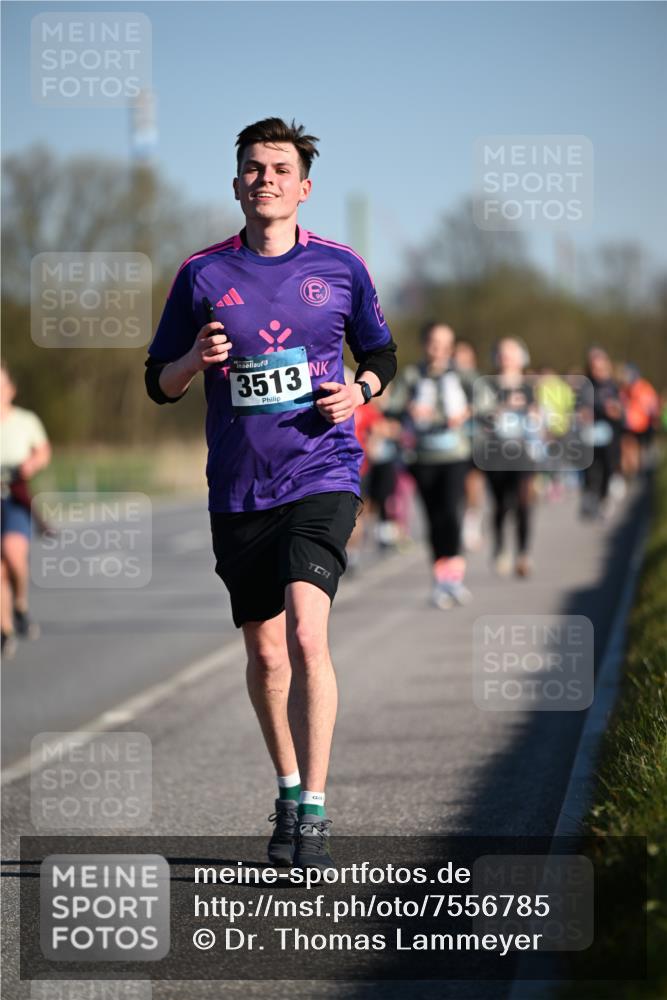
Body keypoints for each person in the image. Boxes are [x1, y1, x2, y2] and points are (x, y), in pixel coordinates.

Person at [144, 118, 397, 869]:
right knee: (264, 652)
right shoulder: (200, 274)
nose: (266, 180)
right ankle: (286, 787)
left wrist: (358, 390)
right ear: (235, 184)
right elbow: (159, 383)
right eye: (253, 169)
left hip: (322, 470)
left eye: (279, 169)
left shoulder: (341, 267)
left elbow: (380, 351)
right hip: (238, 486)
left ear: (303, 186)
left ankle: (313, 811)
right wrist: (193, 357)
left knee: (306, 635)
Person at [389, 323, 471, 610]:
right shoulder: (413, 375)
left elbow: (485, 403)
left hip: (455, 456)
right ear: (425, 344)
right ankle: (440, 581)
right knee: (434, 520)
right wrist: (409, 407)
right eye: (433, 343)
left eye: (445, 344)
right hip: (423, 458)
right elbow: (392, 408)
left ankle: (454, 578)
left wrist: (465, 413)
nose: (438, 350)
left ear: (451, 347)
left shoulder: (463, 375)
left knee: (451, 514)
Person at [1, 362, 51, 657]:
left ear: (11, 390)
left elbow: (42, 450)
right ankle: (5, 631)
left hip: (14, 497)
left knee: (12, 553)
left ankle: (20, 604)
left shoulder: (25, 421)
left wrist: (31, 464)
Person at [476, 338, 538, 578]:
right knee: (502, 504)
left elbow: (539, 418)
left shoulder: (530, 387)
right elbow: (481, 416)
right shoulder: (487, 386)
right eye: (502, 353)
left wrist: (534, 416)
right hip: (495, 453)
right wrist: (500, 409)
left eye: (511, 354)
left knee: (524, 502)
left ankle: (523, 554)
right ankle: (500, 548)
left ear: (522, 357)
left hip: (523, 452)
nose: (507, 358)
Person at [579, 347, 624, 519]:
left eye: (600, 367)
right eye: (594, 367)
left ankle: (604, 499)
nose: (597, 371)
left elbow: (622, 411)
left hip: (610, 434)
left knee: (607, 467)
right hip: (591, 432)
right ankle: (591, 496)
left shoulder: (614, 386)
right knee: (590, 467)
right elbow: (580, 407)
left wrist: (616, 411)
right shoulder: (585, 385)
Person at [453, 340, 485, 552]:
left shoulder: (479, 380)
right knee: (457, 488)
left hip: (476, 440)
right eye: (457, 355)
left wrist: (470, 411)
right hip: (454, 442)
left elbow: (487, 405)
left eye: (465, 355)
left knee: (473, 485)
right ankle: (457, 522)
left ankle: (471, 525)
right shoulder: (448, 378)